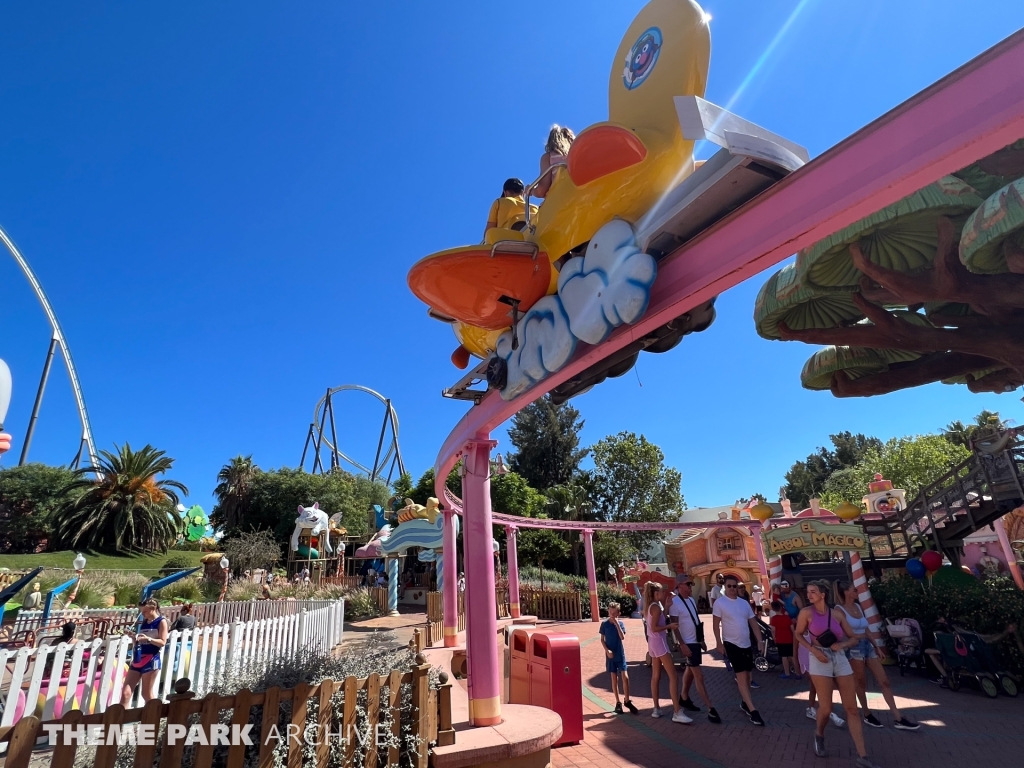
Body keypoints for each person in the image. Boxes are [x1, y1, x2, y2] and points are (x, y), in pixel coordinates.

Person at [795, 581, 881, 767]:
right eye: (808, 592)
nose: (809, 595)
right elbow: (798, 634)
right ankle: (819, 733)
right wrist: (814, 650)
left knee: (851, 708)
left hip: (839, 656)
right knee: (826, 708)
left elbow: (853, 638)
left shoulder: (837, 614)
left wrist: (842, 644)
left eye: (813, 592)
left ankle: (862, 755)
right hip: (819, 657)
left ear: (823, 594)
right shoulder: (806, 613)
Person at [833, 582, 918, 730]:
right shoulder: (839, 610)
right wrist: (850, 641)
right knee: (861, 683)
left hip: (867, 646)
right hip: (854, 648)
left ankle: (898, 717)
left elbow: (866, 629)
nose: (857, 591)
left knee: (884, 680)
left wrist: (876, 646)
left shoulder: (858, 607)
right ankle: (867, 713)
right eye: (854, 589)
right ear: (846, 592)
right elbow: (841, 633)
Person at [712, 576, 765, 726]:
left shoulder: (744, 604)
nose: (732, 589)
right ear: (725, 587)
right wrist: (718, 642)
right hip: (731, 643)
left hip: (746, 643)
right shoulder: (720, 603)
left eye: (734, 586)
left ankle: (745, 703)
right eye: (729, 586)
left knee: (748, 676)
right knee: (741, 676)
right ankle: (753, 711)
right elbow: (716, 624)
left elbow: (753, 623)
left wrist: (760, 640)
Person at [668, 575, 720, 723]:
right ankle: (710, 708)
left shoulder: (691, 600)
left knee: (690, 670)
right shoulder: (674, 603)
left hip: (695, 641)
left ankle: (684, 697)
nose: (691, 587)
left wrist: (701, 639)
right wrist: (682, 644)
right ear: (679, 586)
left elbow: (695, 620)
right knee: (699, 675)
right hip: (688, 643)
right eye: (688, 584)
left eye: (691, 584)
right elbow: (675, 627)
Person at [644, 582, 691, 723]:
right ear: (656, 594)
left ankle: (656, 708)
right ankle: (677, 711)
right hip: (660, 643)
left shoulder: (651, 606)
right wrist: (669, 626)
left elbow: (656, 621)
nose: (664, 594)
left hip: (653, 644)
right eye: (662, 592)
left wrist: (667, 608)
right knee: (673, 676)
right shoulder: (656, 607)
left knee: (656, 676)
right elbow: (655, 628)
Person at [121, 599, 169, 706]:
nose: (143, 614)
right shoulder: (145, 622)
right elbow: (140, 641)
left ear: (153, 609)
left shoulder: (161, 621)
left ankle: (154, 716)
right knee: (126, 693)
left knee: (146, 694)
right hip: (139, 658)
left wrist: (148, 639)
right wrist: (133, 637)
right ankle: (120, 720)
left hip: (151, 659)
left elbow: (162, 642)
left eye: (145, 611)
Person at [600, 601, 639, 715]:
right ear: (608, 612)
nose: (612, 615)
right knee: (614, 678)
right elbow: (602, 639)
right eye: (610, 612)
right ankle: (618, 702)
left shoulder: (620, 624)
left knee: (625, 677)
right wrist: (607, 650)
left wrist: (617, 624)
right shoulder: (604, 624)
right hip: (610, 655)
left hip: (619, 654)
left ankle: (627, 700)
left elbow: (622, 637)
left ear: (618, 613)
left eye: (614, 613)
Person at [534, 125, 575, 200]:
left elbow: (541, 191)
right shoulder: (575, 156)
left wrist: (531, 191)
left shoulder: (548, 157)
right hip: (579, 197)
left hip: (558, 201)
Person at [769, 600, 797, 679]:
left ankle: (787, 673)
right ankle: (797, 672)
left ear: (773, 609)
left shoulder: (774, 619)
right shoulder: (787, 618)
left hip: (780, 639)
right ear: (781, 608)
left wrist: (774, 638)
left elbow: (773, 630)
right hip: (789, 638)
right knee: (792, 656)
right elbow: (792, 629)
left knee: (784, 657)